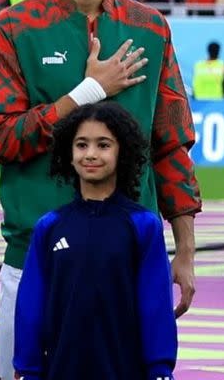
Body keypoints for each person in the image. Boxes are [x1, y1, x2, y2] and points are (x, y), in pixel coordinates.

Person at [0, 0, 201, 380]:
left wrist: (185, 255)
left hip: (131, 262)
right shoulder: (15, 28)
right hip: (36, 262)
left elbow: (171, 145)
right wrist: (87, 91)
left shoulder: (151, 27)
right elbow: (3, 138)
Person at [14, 102, 177, 379]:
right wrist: (28, 368)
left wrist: (160, 368)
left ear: (121, 151)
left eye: (103, 145)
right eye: (81, 145)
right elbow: (31, 304)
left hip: (124, 370)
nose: (90, 154)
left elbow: (155, 305)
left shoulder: (143, 225)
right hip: (62, 369)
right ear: (69, 152)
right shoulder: (50, 227)